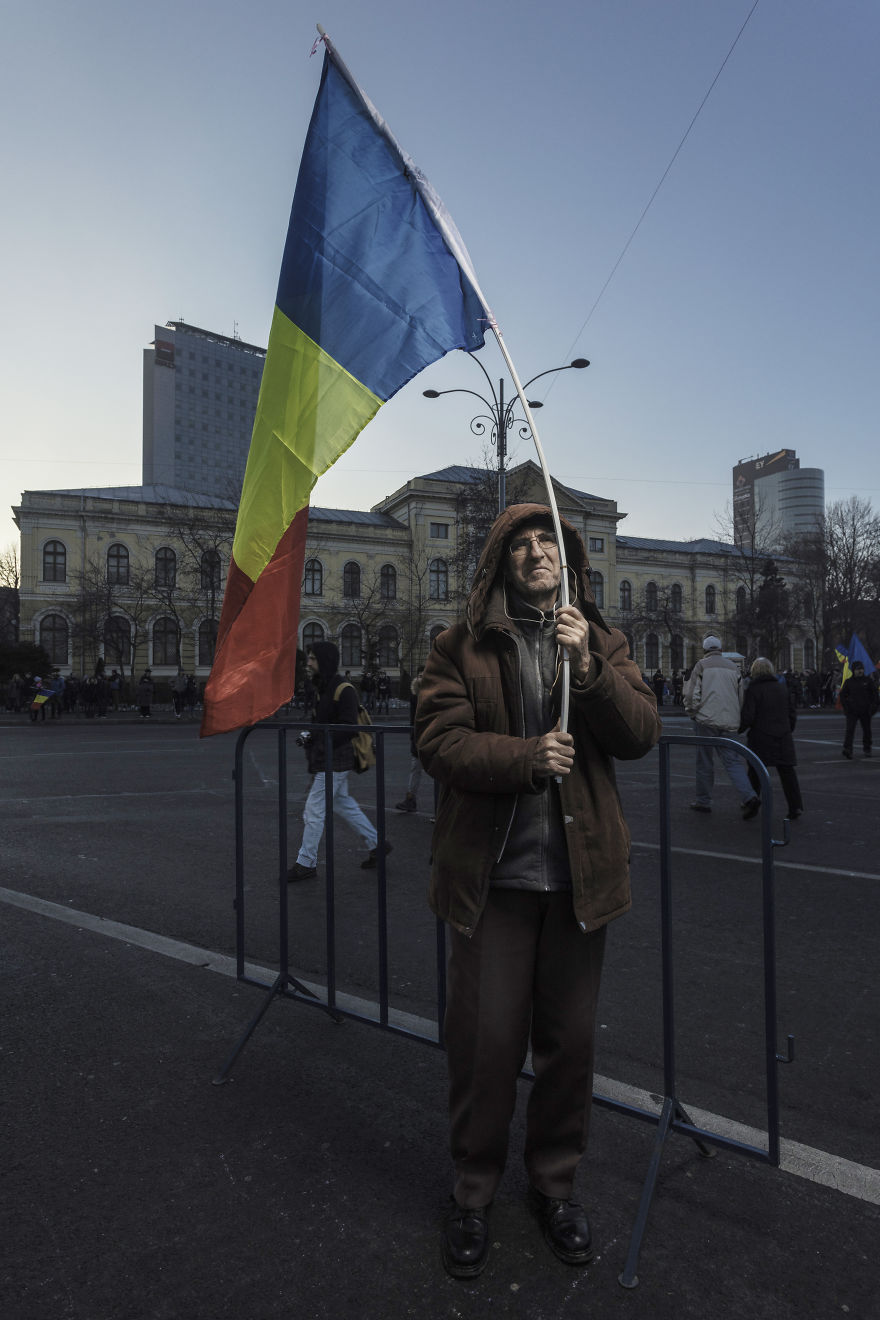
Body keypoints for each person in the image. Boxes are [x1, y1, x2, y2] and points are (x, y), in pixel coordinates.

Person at [415, 504, 660, 1279]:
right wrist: (525, 757)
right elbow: (439, 741)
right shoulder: (459, 647)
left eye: (545, 539)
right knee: (485, 1048)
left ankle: (555, 1187)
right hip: (494, 882)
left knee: (569, 1048)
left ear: (568, 556)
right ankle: (474, 1193)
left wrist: (587, 672)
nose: (534, 552)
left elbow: (639, 732)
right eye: (518, 545)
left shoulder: (601, 639)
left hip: (580, 884)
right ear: (498, 564)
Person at [288, 641, 391, 880]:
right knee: (342, 803)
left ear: (323, 661)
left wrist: (319, 740)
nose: (308, 662)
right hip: (330, 758)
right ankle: (377, 845)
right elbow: (324, 723)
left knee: (314, 809)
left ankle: (306, 863)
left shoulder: (343, 689)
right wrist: (311, 736)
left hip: (335, 760)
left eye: (313, 659)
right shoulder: (324, 686)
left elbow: (348, 727)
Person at [683, 636, 758, 818]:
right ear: (720, 649)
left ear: (705, 650)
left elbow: (692, 694)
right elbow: (740, 697)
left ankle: (703, 800)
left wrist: (693, 713)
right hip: (730, 721)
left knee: (704, 762)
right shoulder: (733, 667)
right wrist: (735, 715)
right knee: (732, 761)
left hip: (706, 720)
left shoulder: (701, 665)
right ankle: (749, 797)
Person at [739, 657, 804, 819]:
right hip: (783, 736)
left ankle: (751, 803)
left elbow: (748, 716)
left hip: (761, 736)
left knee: (756, 772)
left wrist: (739, 729)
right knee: (787, 773)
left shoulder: (753, 689)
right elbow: (791, 713)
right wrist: (787, 729)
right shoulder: (782, 687)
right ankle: (795, 807)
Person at [395, 667, 424, 813]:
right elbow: (412, 720)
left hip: (433, 737)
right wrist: (412, 738)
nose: (421, 678)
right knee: (415, 769)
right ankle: (410, 799)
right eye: (419, 675)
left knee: (441, 772)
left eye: (424, 675)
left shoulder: (435, 693)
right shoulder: (414, 696)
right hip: (418, 738)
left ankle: (443, 807)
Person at [839, 660, 878, 759]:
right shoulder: (849, 682)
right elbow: (843, 696)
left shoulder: (868, 681)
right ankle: (848, 749)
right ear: (853, 670)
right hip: (852, 712)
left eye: (861, 669)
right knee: (850, 731)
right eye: (857, 669)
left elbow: (875, 695)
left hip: (865, 711)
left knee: (867, 731)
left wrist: (873, 708)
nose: (860, 671)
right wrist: (847, 708)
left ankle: (867, 748)